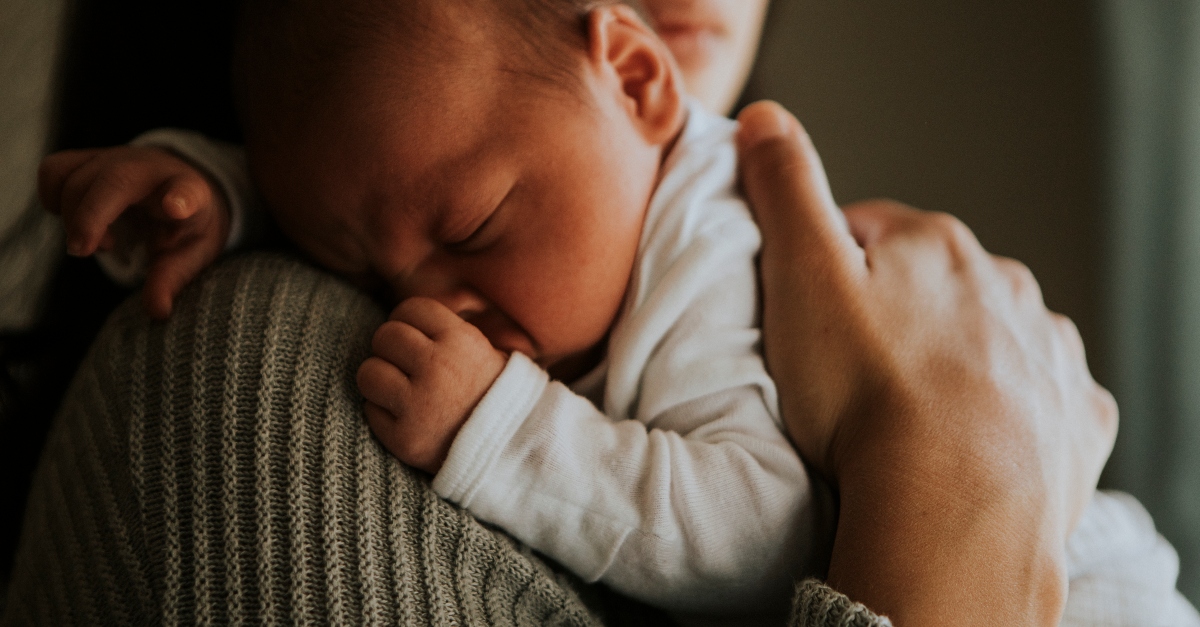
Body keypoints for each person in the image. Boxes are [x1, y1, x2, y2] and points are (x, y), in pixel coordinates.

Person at [3, 2, 1192, 626]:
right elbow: (390, 175)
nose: (428, 308)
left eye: (471, 237)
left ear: (632, 77)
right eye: (361, 273)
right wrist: (213, 187)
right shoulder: (518, 179)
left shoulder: (711, 263)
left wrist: (505, 435)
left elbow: (756, 528)